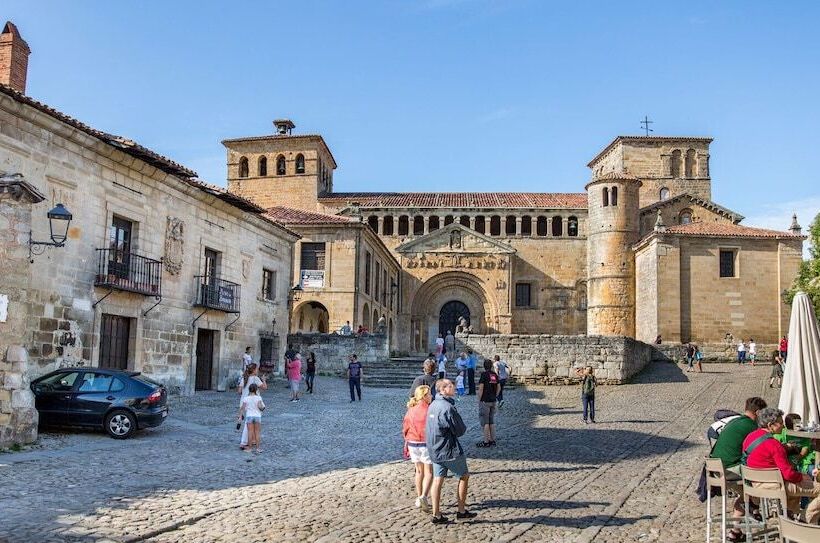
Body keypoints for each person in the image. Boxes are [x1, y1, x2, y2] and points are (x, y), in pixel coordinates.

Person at [743, 407, 820, 525]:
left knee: (796, 488)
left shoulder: (750, 437)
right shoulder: (774, 445)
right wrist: (802, 476)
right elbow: (789, 474)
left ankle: (789, 519)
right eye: (780, 422)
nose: (783, 426)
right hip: (776, 485)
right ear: (770, 425)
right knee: (808, 484)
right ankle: (804, 521)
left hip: (755, 484)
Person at [709, 396, 767, 542]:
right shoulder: (751, 426)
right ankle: (751, 508)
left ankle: (738, 527)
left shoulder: (735, 421)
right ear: (758, 412)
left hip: (715, 467)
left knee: (751, 490)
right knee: (762, 480)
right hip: (729, 469)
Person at [426, 379, 476, 524]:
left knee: (437, 480)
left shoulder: (433, 405)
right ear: (442, 390)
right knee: (464, 476)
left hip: (435, 449)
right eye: (449, 386)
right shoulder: (448, 408)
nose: (453, 387)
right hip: (448, 450)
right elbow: (460, 430)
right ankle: (461, 511)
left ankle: (436, 514)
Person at [403, 385, 433, 512]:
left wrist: (406, 441)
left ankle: (419, 496)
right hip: (425, 443)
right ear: (425, 396)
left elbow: (405, 427)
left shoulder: (411, 409)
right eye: (430, 394)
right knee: (429, 472)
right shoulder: (429, 410)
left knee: (418, 471)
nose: (432, 396)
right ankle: (424, 496)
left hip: (412, 442)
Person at [238, 364, 267, 450]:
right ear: (254, 370)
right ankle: (244, 442)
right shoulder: (256, 379)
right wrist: (264, 380)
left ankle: (253, 440)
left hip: (244, 401)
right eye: (257, 369)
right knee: (251, 423)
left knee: (249, 421)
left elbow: (239, 391)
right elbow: (264, 387)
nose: (258, 370)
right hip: (254, 402)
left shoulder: (244, 378)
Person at [477, 359, 499, 447]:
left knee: (485, 422)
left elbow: (481, 388)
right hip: (493, 400)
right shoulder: (494, 375)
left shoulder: (484, 375)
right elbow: (499, 387)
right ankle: (493, 440)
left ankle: (486, 441)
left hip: (485, 400)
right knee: (491, 421)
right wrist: (495, 395)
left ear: (484, 366)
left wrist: (479, 399)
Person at [238, 383, 265, 453]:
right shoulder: (259, 398)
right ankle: (258, 448)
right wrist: (262, 408)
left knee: (250, 432)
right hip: (257, 416)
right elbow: (261, 407)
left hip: (249, 416)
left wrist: (240, 416)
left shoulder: (246, 398)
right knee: (257, 432)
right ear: (256, 390)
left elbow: (242, 408)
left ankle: (249, 448)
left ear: (249, 390)